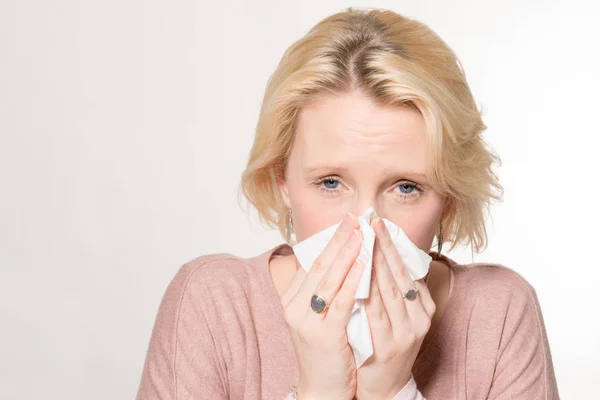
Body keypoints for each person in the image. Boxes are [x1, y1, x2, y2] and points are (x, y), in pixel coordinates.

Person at [135, 7, 560, 399]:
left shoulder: (499, 312)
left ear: (448, 198)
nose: (366, 225)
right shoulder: (215, 304)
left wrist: (393, 391)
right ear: (282, 180)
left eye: (406, 188)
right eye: (331, 182)